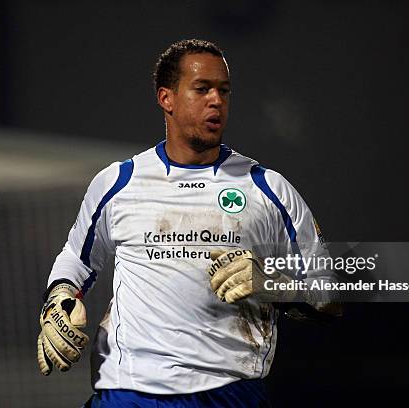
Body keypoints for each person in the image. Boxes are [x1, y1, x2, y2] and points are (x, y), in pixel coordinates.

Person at [36, 39, 341, 408]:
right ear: (167, 98)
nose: (217, 101)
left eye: (223, 91)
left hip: (229, 391)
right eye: (202, 89)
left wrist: (271, 284)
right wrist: (59, 298)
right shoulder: (119, 182)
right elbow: (77, 258)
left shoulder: (267, 188)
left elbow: (329, 294)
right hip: (129, 389)